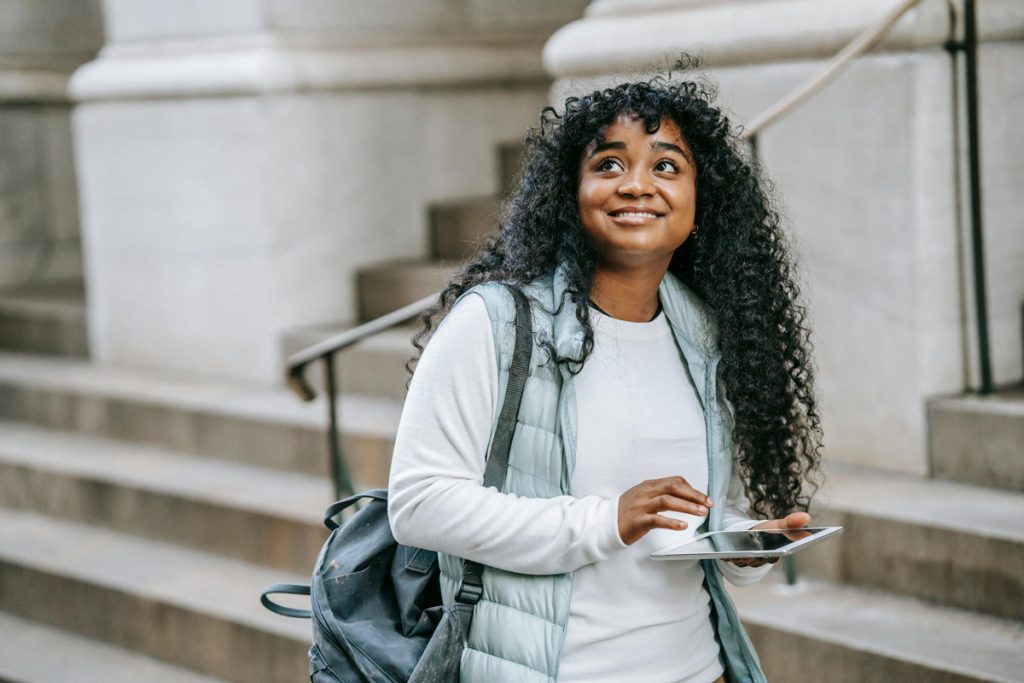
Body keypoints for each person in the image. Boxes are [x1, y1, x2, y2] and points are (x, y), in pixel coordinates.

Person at [388, 71, 823, 683]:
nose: (638, 185)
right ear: (572, 193)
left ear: (702, 202)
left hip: (701, 668)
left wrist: (746, 543)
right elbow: (420, 505)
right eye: (610, 165)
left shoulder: (704, 334)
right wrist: (605, 521)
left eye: (667, 167)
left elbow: (684, 519)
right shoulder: (496, 322)